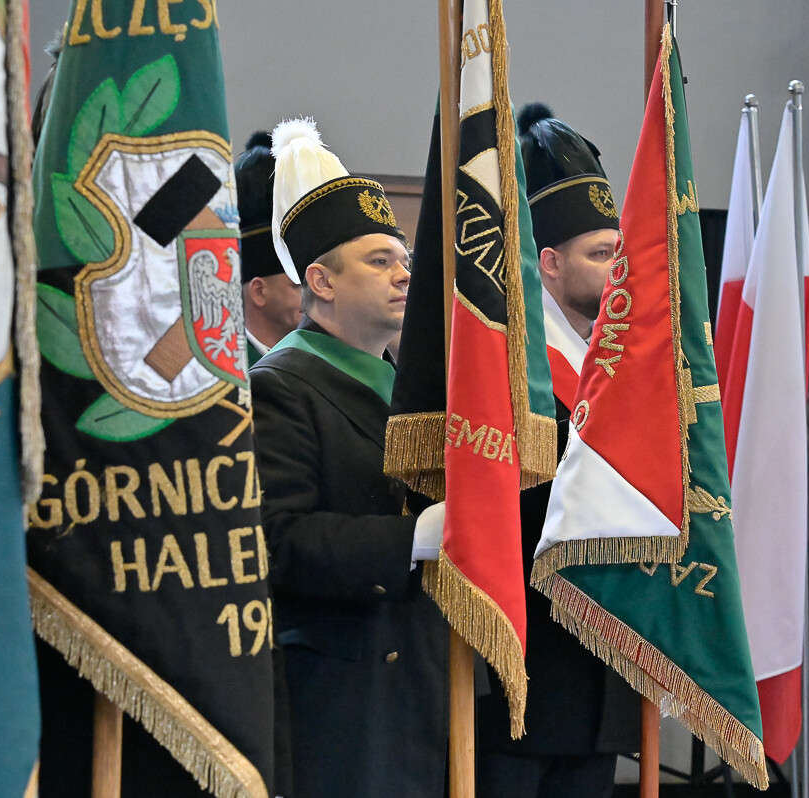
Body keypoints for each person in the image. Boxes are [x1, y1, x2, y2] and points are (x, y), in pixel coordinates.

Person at [250, 118, 448, 798]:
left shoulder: (407, 387)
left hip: (418, 682)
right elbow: (275, 541)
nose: (404, 275)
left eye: (403, 259)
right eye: (379, 261)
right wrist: (410, 538)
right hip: (340, 701)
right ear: (322, 282)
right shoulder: (280, 386)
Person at [474, 103, 640, 798]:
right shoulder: (512, 369)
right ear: (548, 262)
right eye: (601, 255)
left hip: (604, 687)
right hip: (526, 683)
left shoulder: (624, 367)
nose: (619, 270)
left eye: (621, 253)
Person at [235, 131, 302, 365]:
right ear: (259, 292)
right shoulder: (226, 369)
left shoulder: (318, 363)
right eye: (298, 285)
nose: (314, 295)